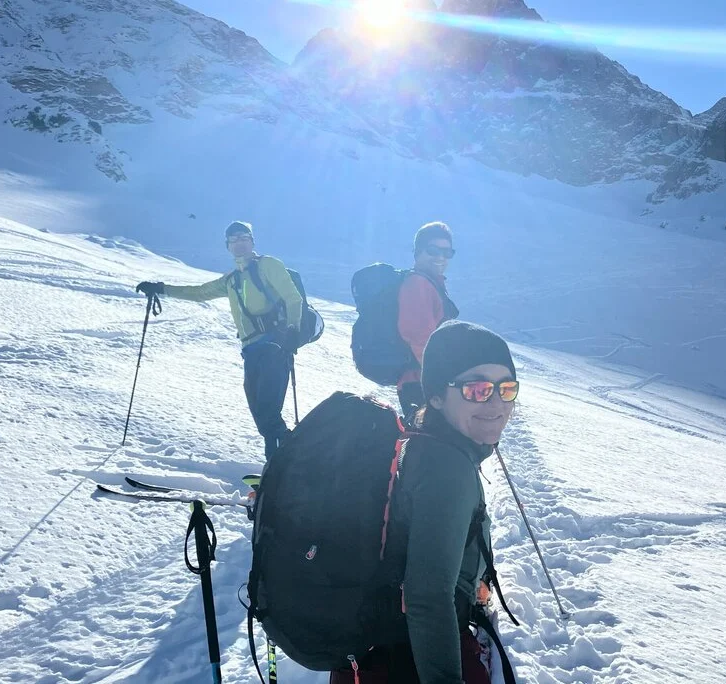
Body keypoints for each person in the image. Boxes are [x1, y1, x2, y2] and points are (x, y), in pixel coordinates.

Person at [332, 320, 520, 684]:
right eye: (477, 389)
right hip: (407, 656)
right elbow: (427, 599)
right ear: (436, 395)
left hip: (379, 646)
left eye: (506, 388)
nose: (497, 403)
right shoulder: (447, 469)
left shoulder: (423, 440)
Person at [136, 221, 302, 459]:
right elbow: (199, 293)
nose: (239, 244)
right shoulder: (232, 280)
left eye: (244, 238)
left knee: (268, 413)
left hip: (274, 345)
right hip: (251, 351)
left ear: (252, 242)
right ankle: (280, 467)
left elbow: (292, 297)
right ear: (228, 246)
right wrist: (160, 288)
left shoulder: (268, 265)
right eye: (233, 240)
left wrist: (293, 331)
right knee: (262, 416)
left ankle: (286, 467)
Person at [397, 222, 459, 423]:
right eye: (433, 250)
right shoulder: (418, 285)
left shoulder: (432, 284)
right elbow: (421, 338)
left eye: (447, 252)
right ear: (418, 252)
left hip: (426, 381)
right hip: (423, 384)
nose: (440, 257)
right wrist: (443, 383)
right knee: (432, 448)